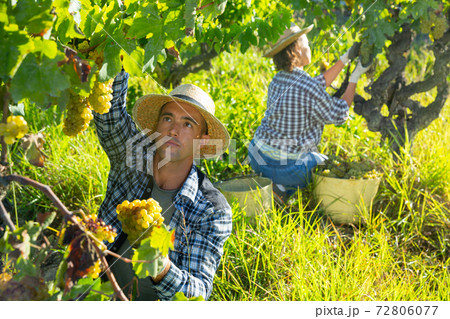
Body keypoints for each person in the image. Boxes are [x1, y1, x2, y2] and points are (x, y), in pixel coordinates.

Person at [93, 69, 232, 300]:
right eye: (168, 118)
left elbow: (198, 293)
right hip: (97, 292)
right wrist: (115, 57)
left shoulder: (212, 210)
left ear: (202, 140)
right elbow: (109, 115)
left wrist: (161, 267)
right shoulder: (131, 156)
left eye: (187, 124)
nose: (173, 130)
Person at [248, 23, 371, 203]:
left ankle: (275, 187)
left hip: (258, 158)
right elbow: (340, 113)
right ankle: (283, 188)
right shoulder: (308, 87)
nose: (309, 46)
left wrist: (345, 59)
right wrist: (355, 77)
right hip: (287, 168)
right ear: (297, 49)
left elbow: (315, 84)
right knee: (322, 162)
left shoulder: (277, 80)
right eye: (306, 43)